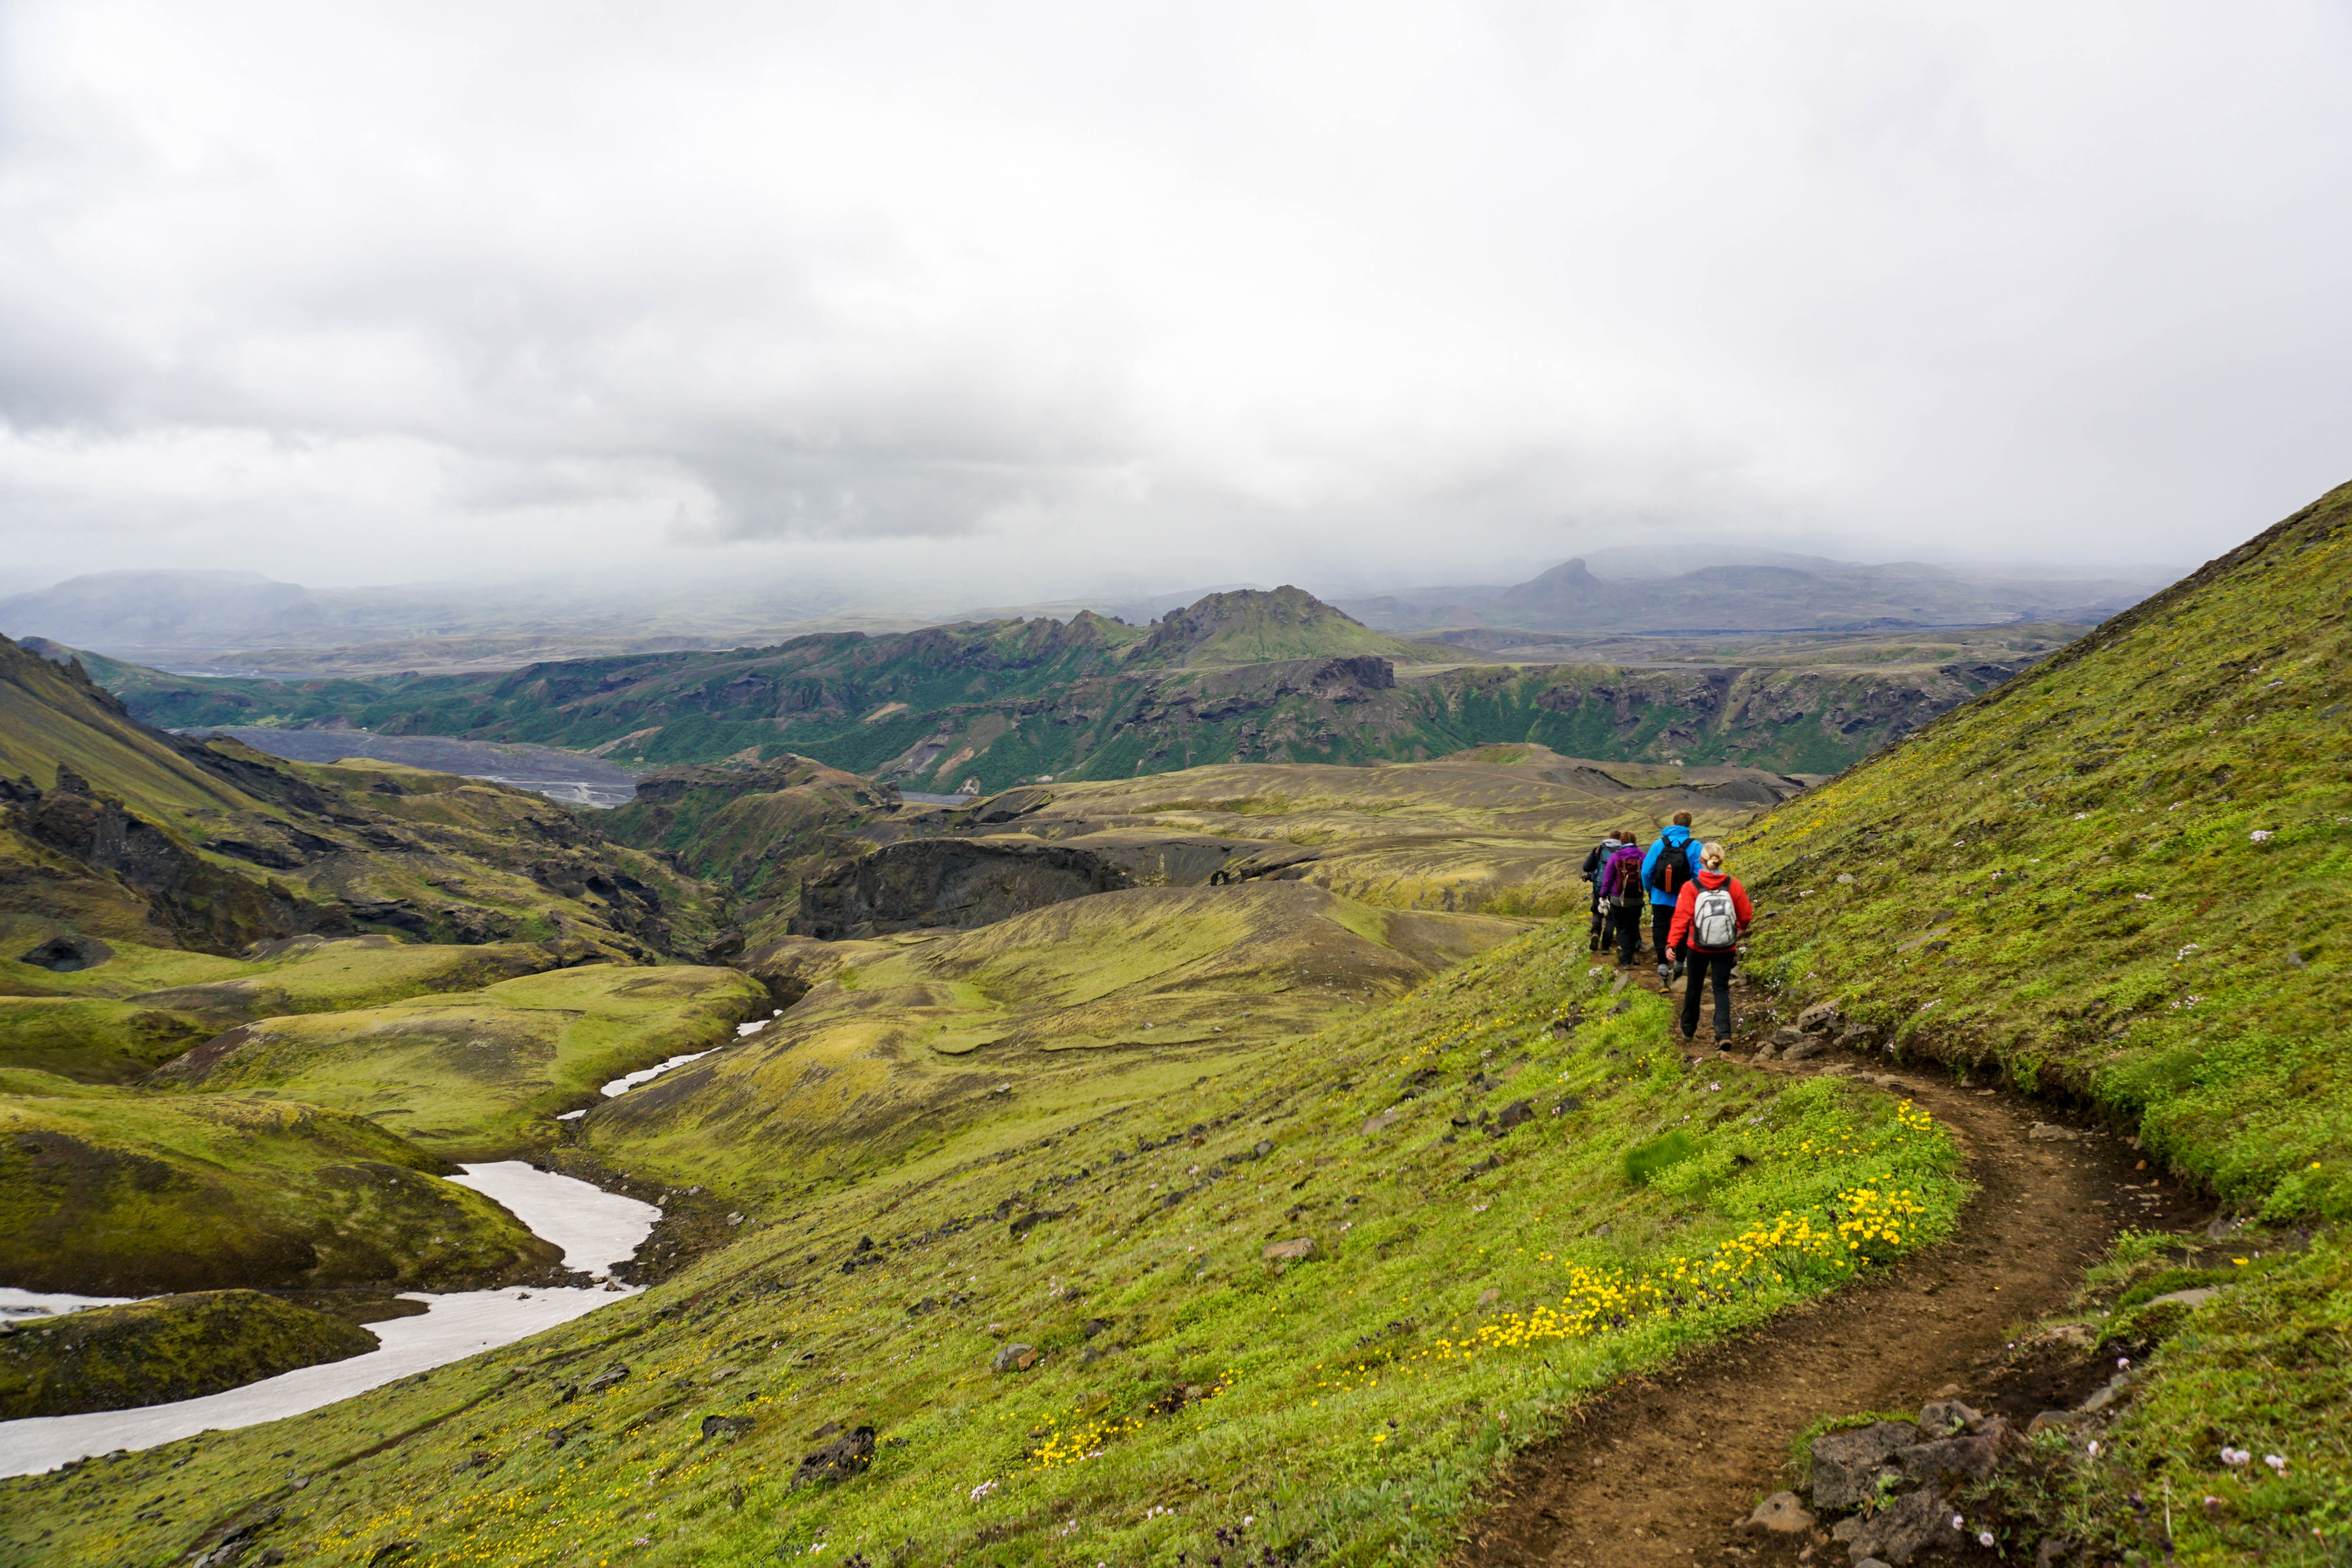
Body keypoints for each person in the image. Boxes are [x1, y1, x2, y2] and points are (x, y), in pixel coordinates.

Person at [1668, 841, 1753, 1046]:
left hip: (1697, 947)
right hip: (1726, 946)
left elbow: (1681, 918)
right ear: (1721, 860)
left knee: (1694, 987)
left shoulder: (1691, 888)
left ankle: (1688, 1030)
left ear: (1701, 862)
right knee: (1721, 989)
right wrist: (1741, 926)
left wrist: (1672, 944)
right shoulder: (1733, 885)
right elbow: (1746, 912)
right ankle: (1724, 1034)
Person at [1641, 810, 1700, 979]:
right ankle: (1680, 964)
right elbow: (1699, 875)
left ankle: (1662, 966)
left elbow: (1646, 871)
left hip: (1660, 897)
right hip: (1684, 900)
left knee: (1660, 930)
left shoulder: (1659, 844)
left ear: (1673, 824)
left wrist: (1650, 890)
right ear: (1690, 826)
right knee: (1681, 930)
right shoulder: (1696, 846)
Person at [1598, 830, 1646, 967]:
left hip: (1618, 900)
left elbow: (1607, 879)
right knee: (1634, 926)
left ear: (1622, 842)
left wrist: (1602, 895)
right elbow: (1648, 875)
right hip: (1637, 898)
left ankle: (1626, 960)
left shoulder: (1615, 857)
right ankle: (1636, 954)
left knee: (1622, 929)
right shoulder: (1643, 857)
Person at [1578, 831, 1624, 950]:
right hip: (1616, 890)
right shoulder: (1622, 851)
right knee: (1611, 917)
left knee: (1597, 912)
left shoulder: (1598, 850)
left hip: (1600, 886)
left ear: (1609, 838)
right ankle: (1605, 947)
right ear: (1621, 840)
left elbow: (1586, 867)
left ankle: (1595, 934)